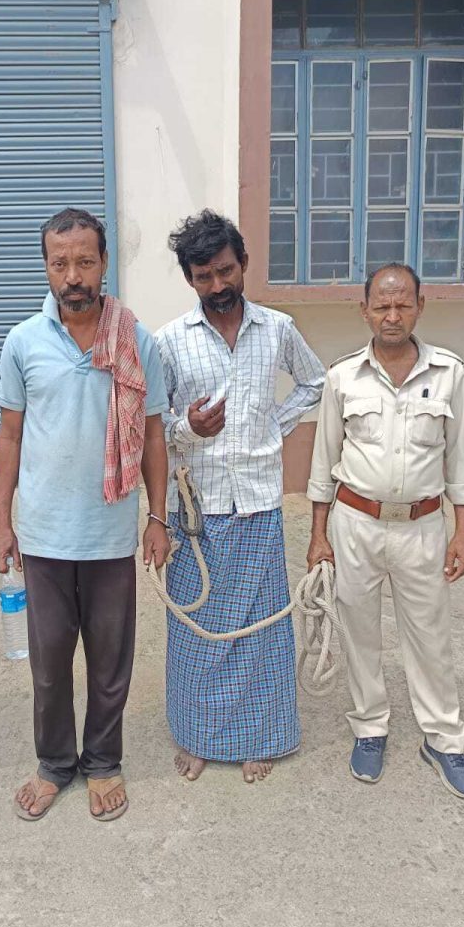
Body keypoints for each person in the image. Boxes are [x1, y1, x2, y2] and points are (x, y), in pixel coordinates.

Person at [0, 208, 170, 822]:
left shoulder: (136, 340)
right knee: (49, 665)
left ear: (104, 263)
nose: (73, 276)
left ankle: (104, 762)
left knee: (111, 663)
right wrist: (1, 522)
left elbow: (153, 435)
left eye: (85, 261)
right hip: (44, 534)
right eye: (60, 263)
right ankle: (55, 764)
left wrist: (158, 517)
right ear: (45, 267)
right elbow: (10, 436)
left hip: (111, 532)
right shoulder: (23, 342)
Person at [155, 210, 325, 784]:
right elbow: (152, 424)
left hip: (257, 503)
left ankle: (259, 738)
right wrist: (187, 428)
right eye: (204, 276)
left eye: (226, 271)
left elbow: (315, 382)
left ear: (243, 264)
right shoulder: (170, 342)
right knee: (196, 629)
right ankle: (199, 737)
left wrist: (275, 423)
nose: (218, 285)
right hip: (195, 509)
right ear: (190, 279)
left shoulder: (277, 329)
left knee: (260, 628)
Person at [306, 262, 464, 799]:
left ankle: (444, 739)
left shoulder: (448, 373)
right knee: (359, 632)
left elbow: (461, 460)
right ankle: (369, 728)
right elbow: (323, 462)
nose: (392, 315)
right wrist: (318, 536)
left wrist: (462, 532)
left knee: (429, 636)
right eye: (381, 305)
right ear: (364, 311)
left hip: (423, 526)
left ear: (420, 307)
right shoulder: (342, 377)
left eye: (403, 304)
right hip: (355, 523)